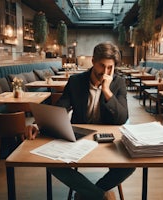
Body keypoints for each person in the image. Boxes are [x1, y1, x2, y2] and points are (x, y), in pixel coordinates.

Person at [25, 42, 135, 200]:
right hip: (79, 138)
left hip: (108, 141)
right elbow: (61, 108)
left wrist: (106, 90)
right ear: (93, 61)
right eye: (101, 66)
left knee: (130, 166)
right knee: (51, 164)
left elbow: (122, 118)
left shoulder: (118, 83)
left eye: (110, 67)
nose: (105, 72)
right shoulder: (76, 81)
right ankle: (98, 195)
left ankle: (88, 193)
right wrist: (37, 124)